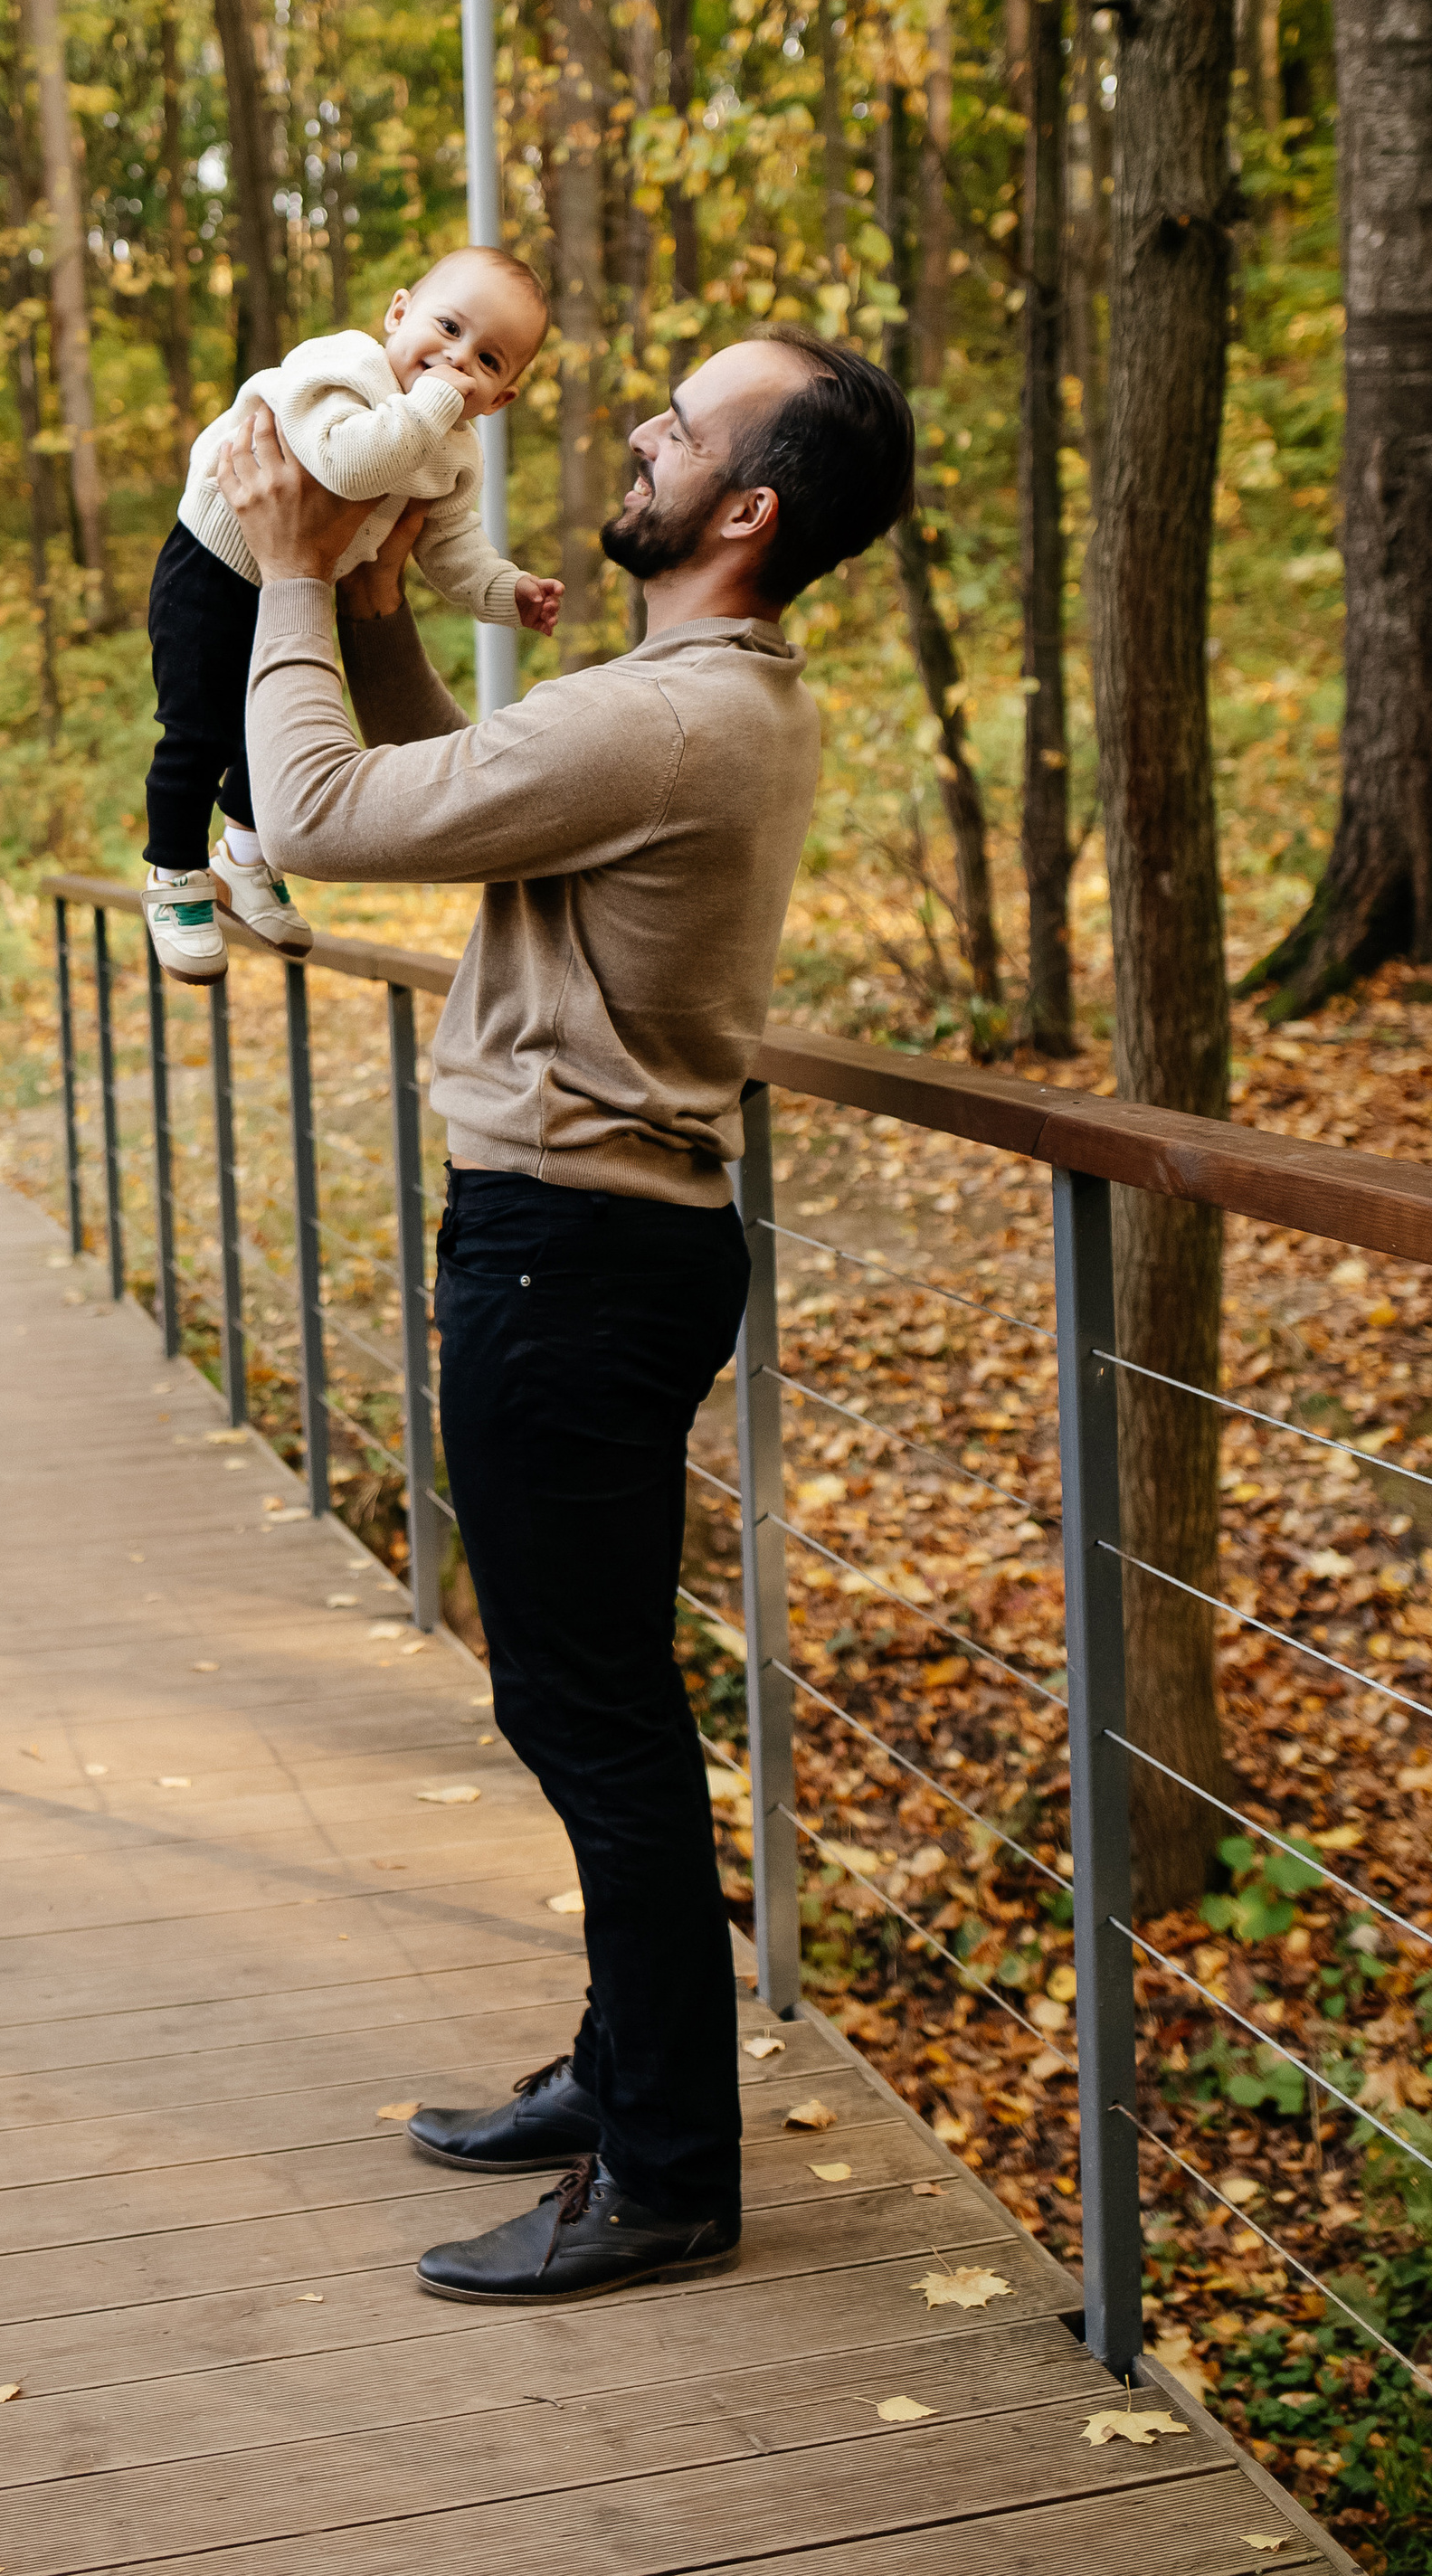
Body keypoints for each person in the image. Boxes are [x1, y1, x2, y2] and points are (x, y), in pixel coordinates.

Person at [212, 327, 915, 2305]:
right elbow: (449, 780)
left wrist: (278, 567)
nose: (634, 427)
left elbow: (333, 816)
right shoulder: (687, 699)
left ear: (745, 506)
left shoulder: (671, 720)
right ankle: (622, 2075)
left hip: (568, 1254)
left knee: (585, 1711)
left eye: (677, 423)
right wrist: (361, 597)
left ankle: (670, 2166)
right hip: (596, 1245)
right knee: (591, 1695)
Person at [139, 247, 562, 983]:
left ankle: (244, 857)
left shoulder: (453, 451)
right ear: (398, 313)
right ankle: (174, 876)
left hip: (295, 586)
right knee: (200, 728)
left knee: (271, 728)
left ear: (499, 400)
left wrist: (507, 591)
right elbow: (346, 466)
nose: (457, 360)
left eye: (488, 360)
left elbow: (450, 543)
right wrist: (433, 404)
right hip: (212, 562)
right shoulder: (342, 368)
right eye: (448, 327)